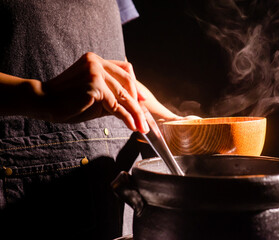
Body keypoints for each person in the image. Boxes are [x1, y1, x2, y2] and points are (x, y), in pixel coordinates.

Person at [0, 0, 189, 239]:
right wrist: (40, 95)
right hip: (30, 207)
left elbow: (115, 75)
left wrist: (173, 121)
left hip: (118, 202)